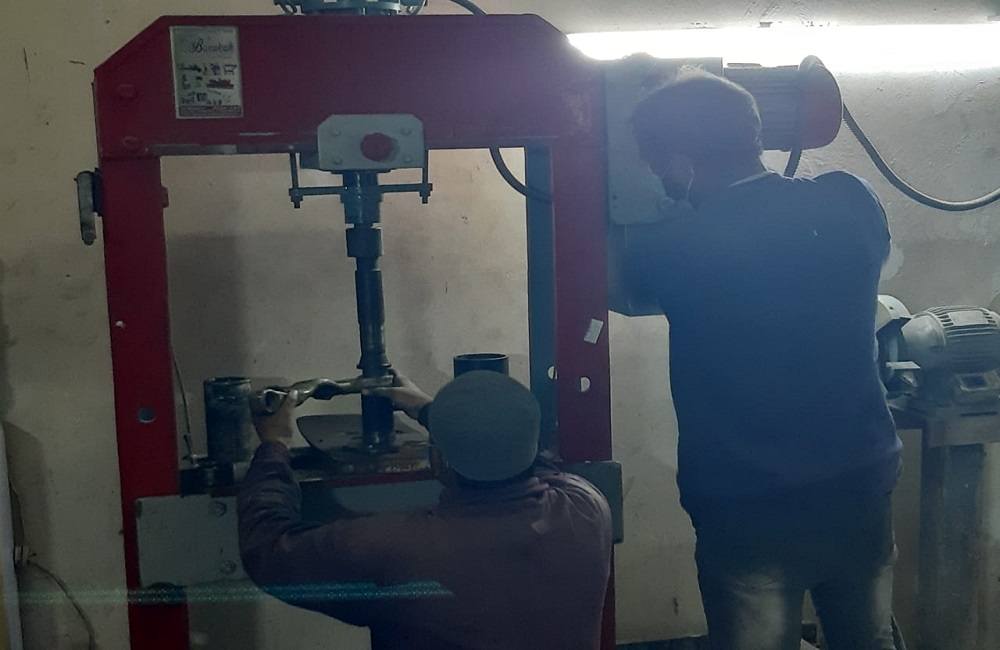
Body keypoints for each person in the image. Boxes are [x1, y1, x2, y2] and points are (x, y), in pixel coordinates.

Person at [627, 68, 901, 650]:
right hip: (859, 488)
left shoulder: (673, 248)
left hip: (748, 507)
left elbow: (620, 284)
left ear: (682, 164)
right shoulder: (851, 203)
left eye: (656, 164)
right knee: (869, 640)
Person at [238, 370, 613, 650]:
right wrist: (434, 412)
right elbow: (533, 460)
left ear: (437, 460)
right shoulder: (588, 508)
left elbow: (270, 548)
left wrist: (274, 445)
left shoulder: (395, 549)